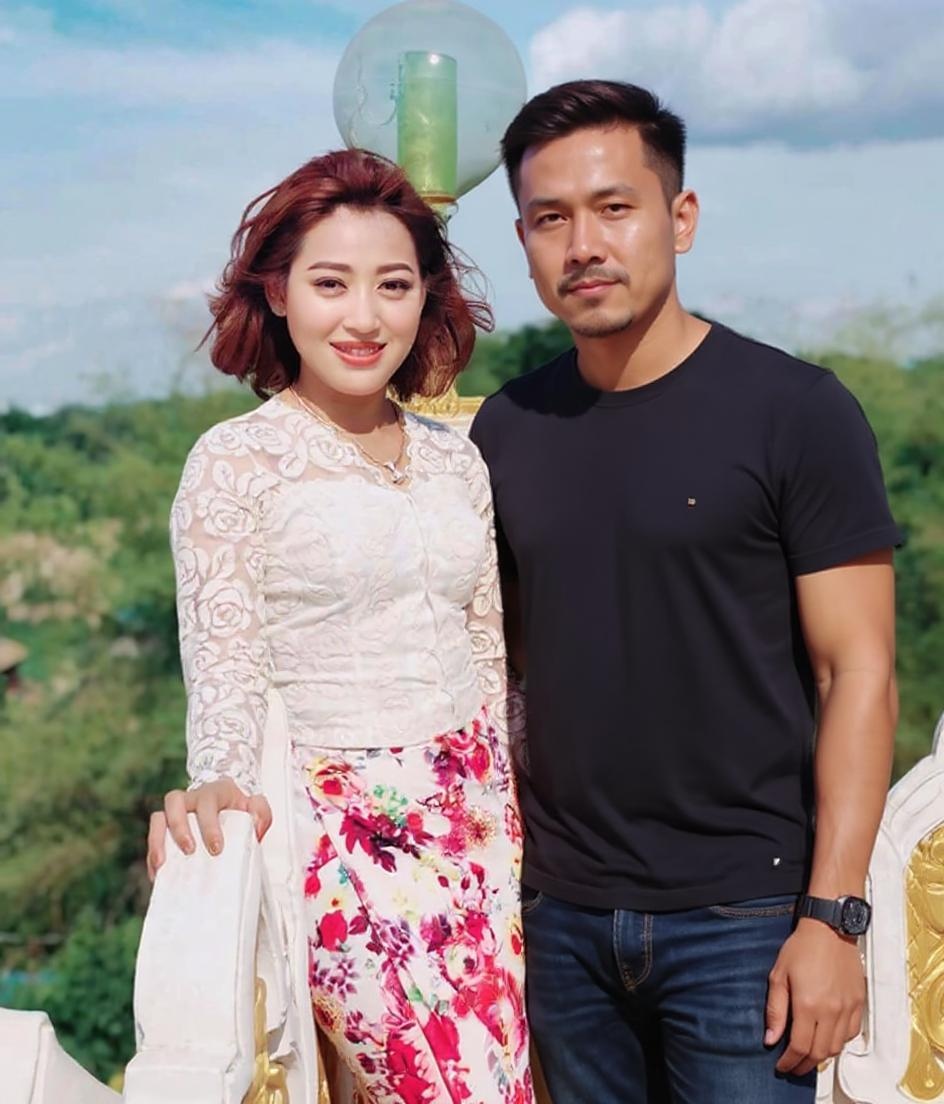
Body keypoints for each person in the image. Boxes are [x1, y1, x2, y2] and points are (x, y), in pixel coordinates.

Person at [470, 80, 900, 1104]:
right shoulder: (506, 430)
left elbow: (858, 673)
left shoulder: (794, 411)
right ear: (523, 242)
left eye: (614, 208)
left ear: (681, 217)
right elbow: (499, 661)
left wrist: (832, 918)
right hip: (558, 919)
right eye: (550, 218)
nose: (583, 245)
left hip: (745, 921)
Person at [146, 148, 534, 1104]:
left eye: (393, 285)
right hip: (341, 835)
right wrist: (218, 780)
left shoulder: (456, 459)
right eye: (331, 284)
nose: (364, 317)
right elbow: (226, 660)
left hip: (482, 819)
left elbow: (489, 651)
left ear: (424, 296)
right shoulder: (236, 463)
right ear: (278, 293)